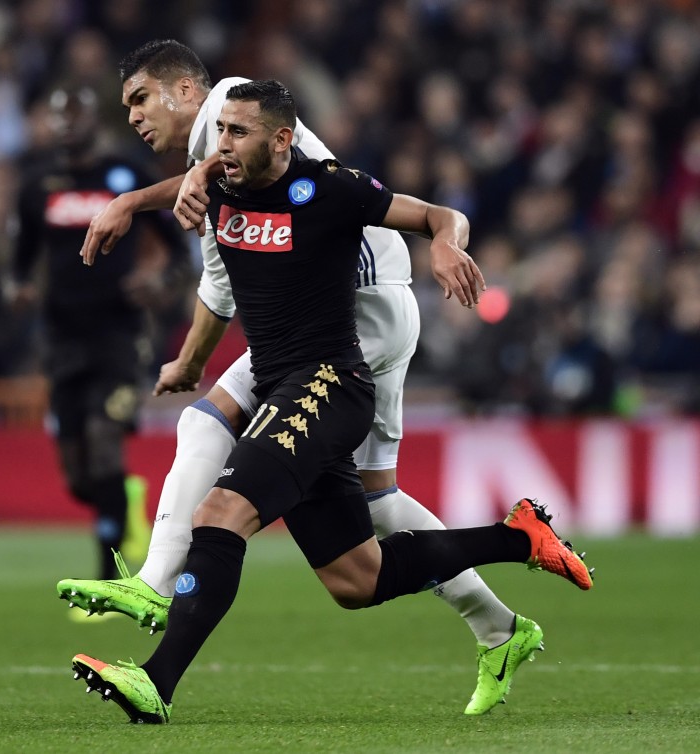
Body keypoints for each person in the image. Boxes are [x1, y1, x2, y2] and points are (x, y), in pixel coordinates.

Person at [68, 80, 593, 725]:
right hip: (280, 382)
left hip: (329, 384)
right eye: (219, 135)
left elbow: (434, 215)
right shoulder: (218, 188)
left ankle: (155, 678)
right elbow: (196, 193)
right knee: (357, 579)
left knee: (222, 511)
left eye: (238, 134)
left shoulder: (329, 190)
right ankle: (517, 539)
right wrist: (137, 202)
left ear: (282, 139)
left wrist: (449, 242)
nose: (221, 146)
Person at [12, 85, 188, 581]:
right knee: (79, 477)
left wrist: (159, 283)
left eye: (75, 114)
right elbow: (18, 263)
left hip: (119, 334)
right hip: (62, 337)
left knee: (104, 439)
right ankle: (120, 502)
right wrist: (18, 288)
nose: (66, 124)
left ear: (96, 120)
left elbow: (177, 252)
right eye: (57, 114)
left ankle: (110, 578)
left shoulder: (126, 176)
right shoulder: (36, 187)